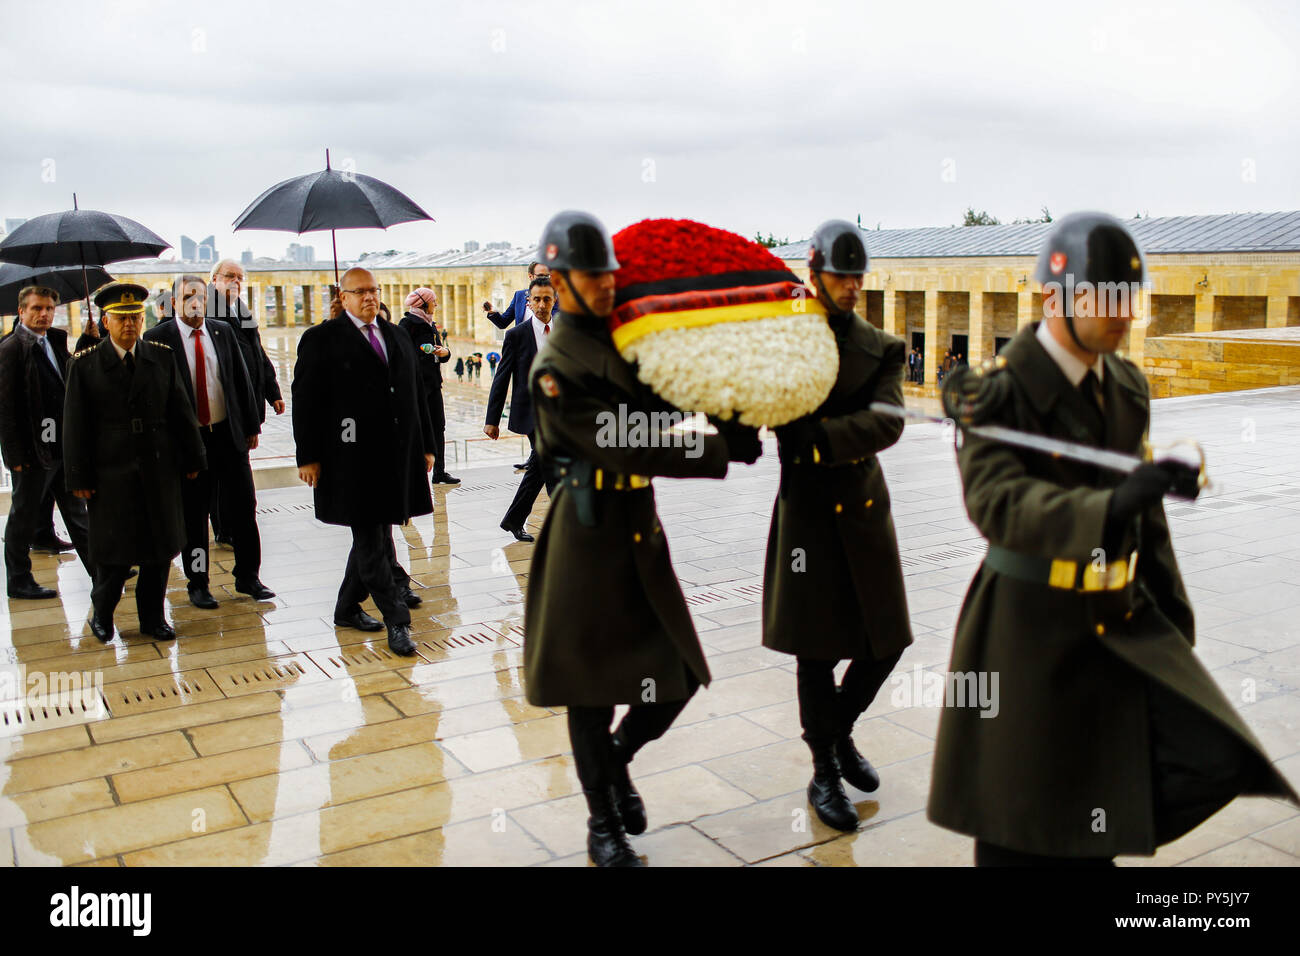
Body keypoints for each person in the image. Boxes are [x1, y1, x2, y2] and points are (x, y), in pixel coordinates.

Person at [927, 212, 1300, 865]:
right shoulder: (997, 394)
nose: (1123, 313)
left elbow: (1144, 524)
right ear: (1054, 298)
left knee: (1098, 822)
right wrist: (1104, 507)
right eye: (1105, 296)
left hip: (1113, 631)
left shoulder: (1127, 386)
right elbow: (998, 504)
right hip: (1026, 637)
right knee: (1021, 824)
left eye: (1129, 296)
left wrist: (1172, 621)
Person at [524, 210, 762, 866]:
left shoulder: (623, 340)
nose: (606, 283)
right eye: (592, 273)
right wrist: (715, 448)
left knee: (675, 682)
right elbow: (617, 440)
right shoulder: (554, 366)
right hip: (587, 537)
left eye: (609, 271)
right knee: (591, 692)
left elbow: (661, 406)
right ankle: (602, 823)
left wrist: (725, 412)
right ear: (560, 281)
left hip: (638, 534)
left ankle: (619, 761)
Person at [763, 220, 912, 831]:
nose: (850, 287)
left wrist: (821, 436)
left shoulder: (881, 347)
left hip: (863, 506)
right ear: (814, 272)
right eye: (839, 276)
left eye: (856, 277)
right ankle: (824, 769)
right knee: (816, 649)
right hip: (807, 515)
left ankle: (840, 729)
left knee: (888, 639)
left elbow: (888, 421)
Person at [292, 268, 436, 656]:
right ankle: (397, 621)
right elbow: (306, 401)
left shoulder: (396, 335)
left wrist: (425, 446)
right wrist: (308, 456)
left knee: (373, 535)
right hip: (349, 458)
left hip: (394, 456)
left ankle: (345, 608)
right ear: (344, 296)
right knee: (373, 540)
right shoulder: (321, 339)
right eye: (361, 292)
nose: (370, 298)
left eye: (374, 291)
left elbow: (414, 393)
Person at [63, 282, 206, 642]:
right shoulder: (85, 365)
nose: (130, 325)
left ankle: (152, 618)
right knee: (114, 553)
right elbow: (74, 425)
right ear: (105, 322)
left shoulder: (161, 356)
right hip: (110, 472)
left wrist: (193, 456)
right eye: (121, 319)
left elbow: (181, 411)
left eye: (136, 318)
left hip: (158, 468)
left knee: (159, 549)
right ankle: (103, 612)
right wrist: (78, 474)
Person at [143, 275, 274, 608]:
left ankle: (249, 577)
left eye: (201, 297)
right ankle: (198, 582)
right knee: (194, 517)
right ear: (174, 302)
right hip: (190, 444)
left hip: (228, 438)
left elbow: (239, 380)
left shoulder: (222, 331)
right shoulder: (157, 339)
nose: (196, 303)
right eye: (188, 296)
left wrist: (250, 425)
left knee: (244, 508)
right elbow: (154, 401)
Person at [0, 285, 95, 598]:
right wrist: (14, 455)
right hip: (32, 453)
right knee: (23, 516)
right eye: (36, 309)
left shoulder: (54, 341)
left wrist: (88, 342)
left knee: (78, 514)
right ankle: (18, 579)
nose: (43, 314)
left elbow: (69, 378)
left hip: (60, 448)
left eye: (48, 309)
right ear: (22, 311)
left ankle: (101, 572)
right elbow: (6, 408)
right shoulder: (11, 349)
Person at [484, 275, 556, 541]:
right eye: (536, 299)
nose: (541, 304)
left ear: (554, 300)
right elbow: (501, 377)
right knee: (549, 461)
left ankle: (514, 520)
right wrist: (492, 419)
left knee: (541, 466)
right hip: (533, 413)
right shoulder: (517, 335)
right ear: (528, 301)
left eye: (546, 299)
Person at [399, 287, 459, 485]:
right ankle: (414, 472)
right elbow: (403, 354)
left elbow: (440, 351)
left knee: (438, 427)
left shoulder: (430, 324)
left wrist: (445, 353)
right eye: (434, 301)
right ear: (423, 303)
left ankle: (439, 472)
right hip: (417, 386)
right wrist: (424, 354)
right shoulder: (408, 324)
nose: (436, 305)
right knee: (416, 429)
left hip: (433, 385)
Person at [483, 261, 551, 330]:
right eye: (540, 276)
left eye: (547, 276)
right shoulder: (519, 296)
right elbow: (503, 323)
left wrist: (537, 310)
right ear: (530, 276)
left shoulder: (556, 298)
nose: (544, 279)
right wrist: (492, 311)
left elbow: (557, 325)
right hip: (523, 340)